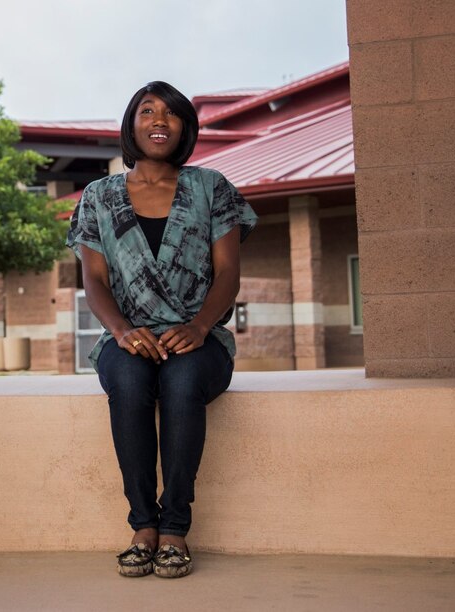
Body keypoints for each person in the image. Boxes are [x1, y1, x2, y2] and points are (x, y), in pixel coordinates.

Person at [65, 81, 257, 578]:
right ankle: (142, 525)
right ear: (131, 124)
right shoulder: (98, 197)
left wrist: (198, 326)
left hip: (201, 338)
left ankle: (174, 528)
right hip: (126, 336)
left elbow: (228, 273)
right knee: (128, 382)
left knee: (182, 380)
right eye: (147, 111)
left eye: (171, 113)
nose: (159, 120)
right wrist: (124, 332)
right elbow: (95, 278)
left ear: (184, 127)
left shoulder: (212, 188)